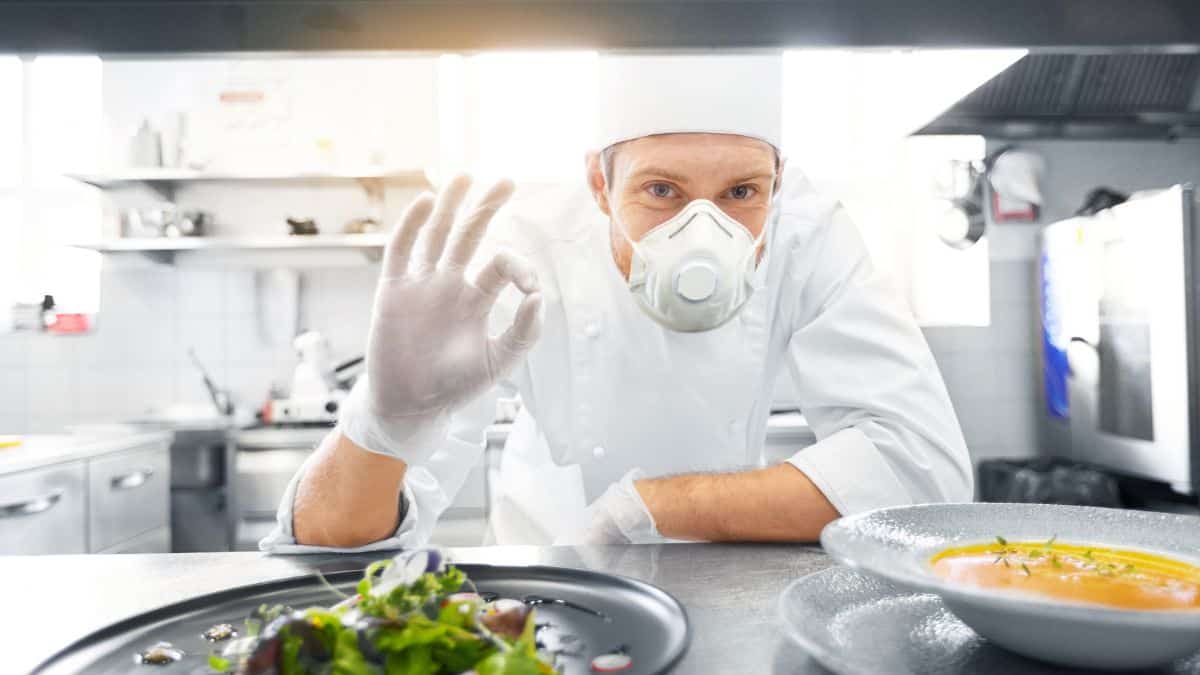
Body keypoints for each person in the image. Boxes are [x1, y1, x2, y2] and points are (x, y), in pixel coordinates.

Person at [261, 53, 971, 551]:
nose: (704, 233)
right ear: (599, 187)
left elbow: (924, 472)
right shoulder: (520, 250)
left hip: (727, 575)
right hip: (542, 580)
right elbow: (334, 542)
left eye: (741, 193)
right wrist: (383, 424)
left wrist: (651, 508)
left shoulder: (809, 233)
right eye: (661, 190)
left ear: (778, 182)